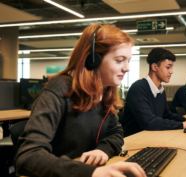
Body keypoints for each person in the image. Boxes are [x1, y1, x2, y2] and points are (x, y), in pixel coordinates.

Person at [15, 24, 146, 177]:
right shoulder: (60, 88)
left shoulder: (103, 93)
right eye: (119, 60)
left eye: (128, 60)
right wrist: (92, 172)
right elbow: (28, 156)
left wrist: (102, 150)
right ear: (93, 59)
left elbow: (116, 132)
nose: (127, 68)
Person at [121, 48, 186, 137]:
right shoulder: (138, 88)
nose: (171, 71)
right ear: (154, 67)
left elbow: (166, 115)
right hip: (134, 141)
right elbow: (149, 121)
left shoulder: (160, 90)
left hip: (151, 137)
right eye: (168, 67)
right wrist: (183, 125)